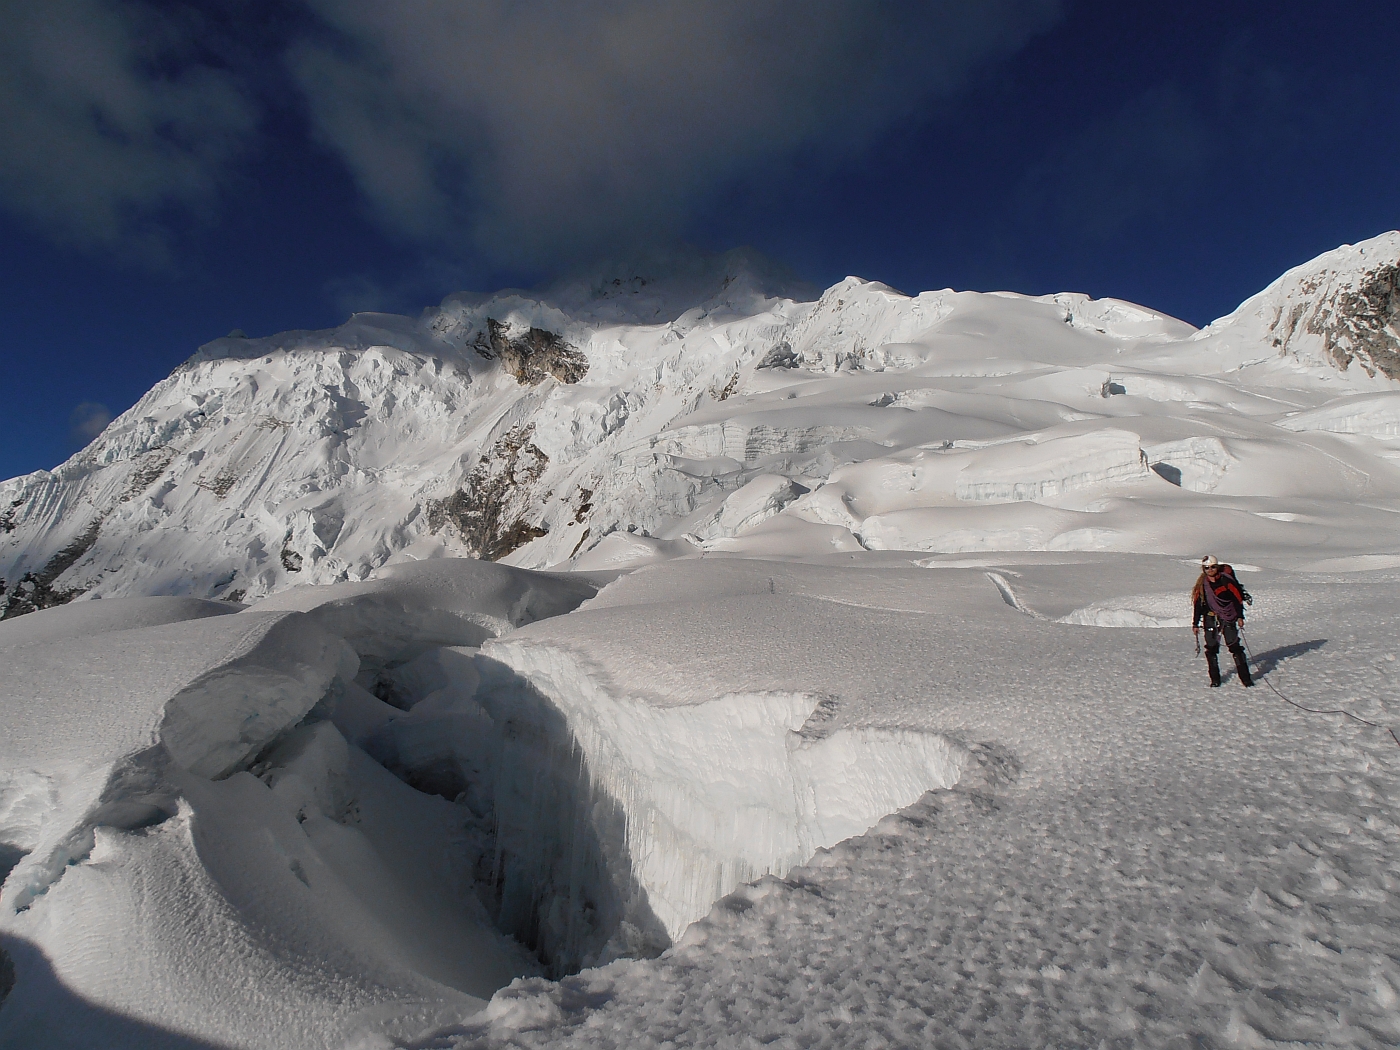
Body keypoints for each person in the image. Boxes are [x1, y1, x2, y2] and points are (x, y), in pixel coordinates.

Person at [1192, 555, 1254, 687]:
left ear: (1217, 567)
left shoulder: (1226, 581)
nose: (1210, 570)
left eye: (1212, 567)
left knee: (1234, 647)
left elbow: (1237, 600)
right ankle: (1215, 680)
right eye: (1207, 568)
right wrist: (1195, 623)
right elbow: (1198, 604)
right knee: (1211, 648)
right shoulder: (1203, 585)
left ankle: (1246, 679)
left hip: (1228, 617)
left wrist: (1240, 616)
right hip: (1210, 617)